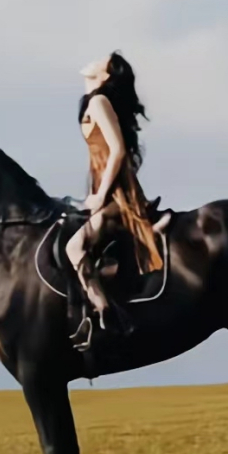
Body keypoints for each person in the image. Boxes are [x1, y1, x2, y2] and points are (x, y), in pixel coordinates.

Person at [67, 51, 164, 335]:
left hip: (118, 196)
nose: (95, 59)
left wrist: (100, 196)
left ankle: (105, 314)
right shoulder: (92, 101)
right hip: (106, 190)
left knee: (74, 247)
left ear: (106, 76)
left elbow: (118, 150)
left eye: (102, 62)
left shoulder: (99, 102)